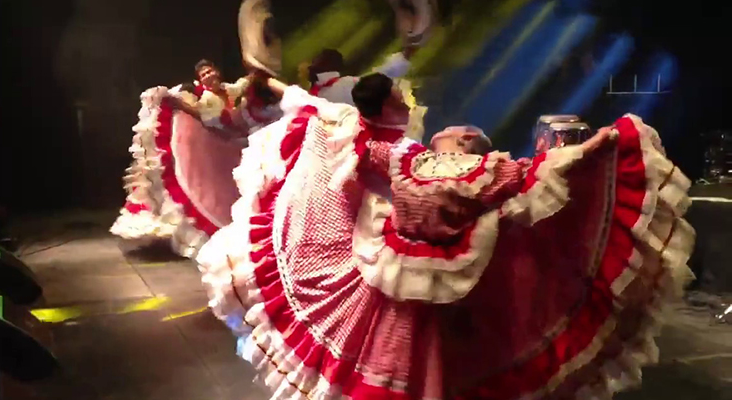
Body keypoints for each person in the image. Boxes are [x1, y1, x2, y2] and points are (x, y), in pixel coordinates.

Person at [196, 70, 695, 400]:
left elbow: (305, 99)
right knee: (421, 354)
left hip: (407, 266)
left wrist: (273, 86)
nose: (409, 100)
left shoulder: (352, 127)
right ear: (391, 106)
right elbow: (497, 178)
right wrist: (581, 156)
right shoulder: (400, 152)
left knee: (426, 351)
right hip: (409, 270)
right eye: (402, 96)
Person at [110, 60, 282, 257]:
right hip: (219, 143)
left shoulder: (230, 89)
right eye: (203, 75)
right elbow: (202, 114)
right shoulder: (207, 99)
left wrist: (258, 70)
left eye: (210, 71)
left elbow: (246, 82)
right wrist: (177, 103)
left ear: (217, 72)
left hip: (239, 143)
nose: (208, 76)